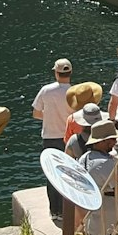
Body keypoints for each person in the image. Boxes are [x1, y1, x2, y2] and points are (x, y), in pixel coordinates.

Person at [78, 119, 118, 235]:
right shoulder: (105, 164)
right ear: (103, 141)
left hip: (95, 221)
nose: (115, 142)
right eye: (112, 139)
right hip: (113, 222)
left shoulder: (86, 158)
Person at [33, 57, 74, 218]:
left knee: (52, 174)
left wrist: (49, 116)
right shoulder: (75, 91)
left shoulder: (46, 90)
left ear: (56, 73)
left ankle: (55, 210)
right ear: (70, 73)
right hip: (69, 138)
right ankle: (66, 210)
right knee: (69, 173)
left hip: (50, 137)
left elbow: (36, 113)